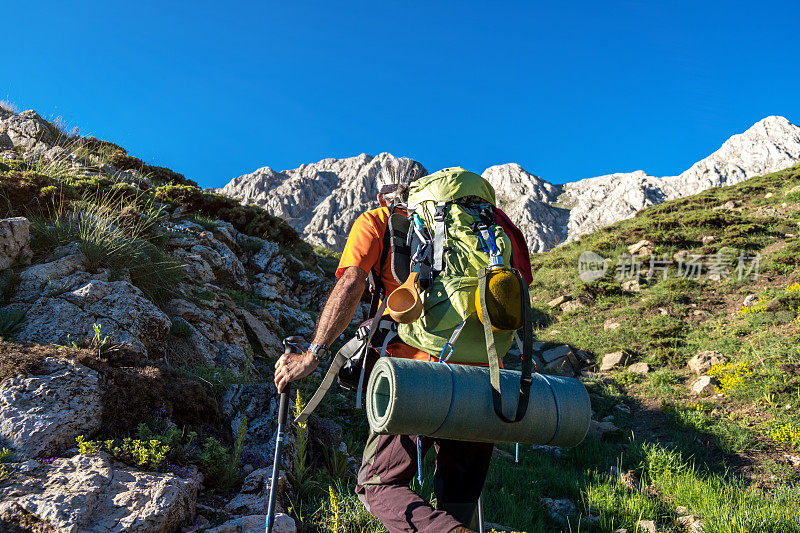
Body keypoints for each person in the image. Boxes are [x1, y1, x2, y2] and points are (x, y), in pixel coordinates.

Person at [273, 163, 531, 533]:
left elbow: (351, 282)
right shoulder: (494, 223)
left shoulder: (378, 220)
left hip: (416, 377)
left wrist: (313, 352)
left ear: (384, 193)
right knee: (459, 497)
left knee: (376, 484)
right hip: (487, 376)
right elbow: (517, 295)